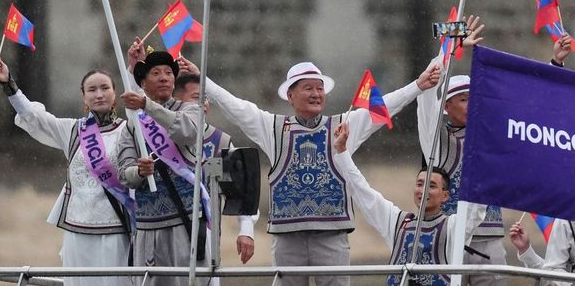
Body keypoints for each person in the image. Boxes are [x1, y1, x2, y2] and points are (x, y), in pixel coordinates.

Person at [182, 50, 443, 286]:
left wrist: (418, 86)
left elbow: (383, 106)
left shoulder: (343, 125)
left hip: (331, 235)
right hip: (287, 236)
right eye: (308, 88)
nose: (316, 94)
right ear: (291, 95)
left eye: (320, 89)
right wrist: (201, 78)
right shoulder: (273, 128)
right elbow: (234, 106)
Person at [0, 58, 132, 286]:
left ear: (115, 94)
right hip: (78, 229)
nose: (99, 94)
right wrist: (8, 84)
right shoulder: (73, 130)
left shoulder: (129, 130)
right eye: (92, 89)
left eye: (105, 88)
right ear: (84, 97)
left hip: (115, 228)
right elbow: (34, 118)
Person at [416, 15, 513, 286]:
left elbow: (529, 112)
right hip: (447, 237)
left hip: (489, 237)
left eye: (475, 98)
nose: (471, 104)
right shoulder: (436, 139)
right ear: (447, 106)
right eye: (463, 99)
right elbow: (426, 95)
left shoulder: (492, 133)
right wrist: (448, 49)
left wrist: (555, 64)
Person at [330, 122, 483, 286]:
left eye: (431, 186)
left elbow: (477, 207)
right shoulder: (398, 222)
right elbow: (362, 191)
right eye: (419, 184)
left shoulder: (454, 227)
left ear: (445, 195)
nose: (423, 190)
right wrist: (342, 150)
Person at [114, 49, 207, 286]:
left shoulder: (190, 109)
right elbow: (124, 173)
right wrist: (139, 172)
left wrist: (147, 105)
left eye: (168, 72)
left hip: (186, 219)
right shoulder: (132, 125)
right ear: (143, 83)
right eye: (156, 73)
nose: (164, 77)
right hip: (148, 224)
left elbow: (187, 132)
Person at [171, 73, 257, 266]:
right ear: (176, 101)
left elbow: (241, 190)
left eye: (206, 98)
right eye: (196, 98)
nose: (204, 104)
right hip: (163, 233)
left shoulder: (221, 141)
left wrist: (246, 229)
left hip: (206, 235)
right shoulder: (157, 136)